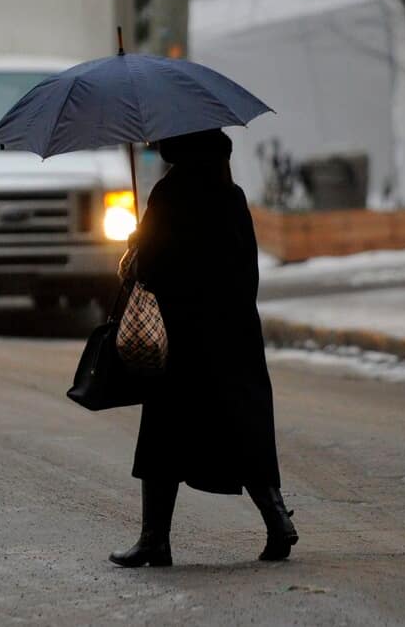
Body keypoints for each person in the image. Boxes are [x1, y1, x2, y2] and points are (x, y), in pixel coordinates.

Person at [110, 128, 297, 567]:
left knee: (163, 437)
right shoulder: (231, 196)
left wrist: (137, 246)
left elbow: (149, 271)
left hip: (183, 339)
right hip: (235, 336)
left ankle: (154, 539)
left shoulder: (169, 195)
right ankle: (277, 522)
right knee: (244, 431)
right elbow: (246, 273)